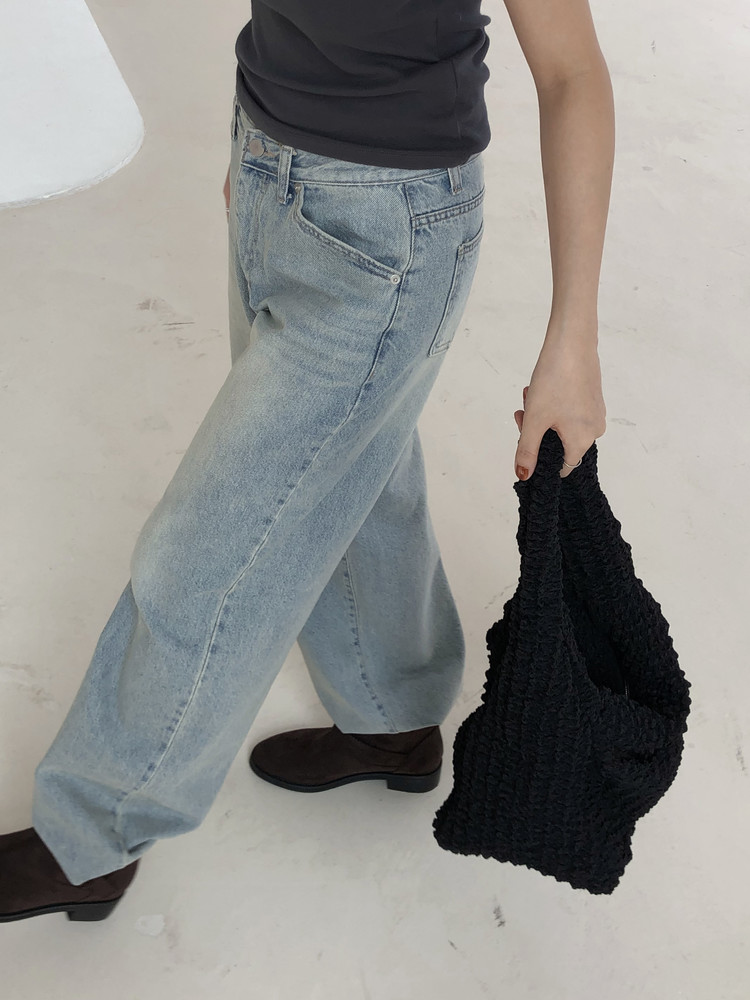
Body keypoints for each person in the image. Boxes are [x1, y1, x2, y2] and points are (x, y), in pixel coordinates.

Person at [0, 0, 613, 923]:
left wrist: (573, 342)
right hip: (271, 170)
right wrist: (261, 151)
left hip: (386, 233)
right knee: (355, 481)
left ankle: (89, 839)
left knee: (207, 552)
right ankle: (393, 718)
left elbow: (574, 75)